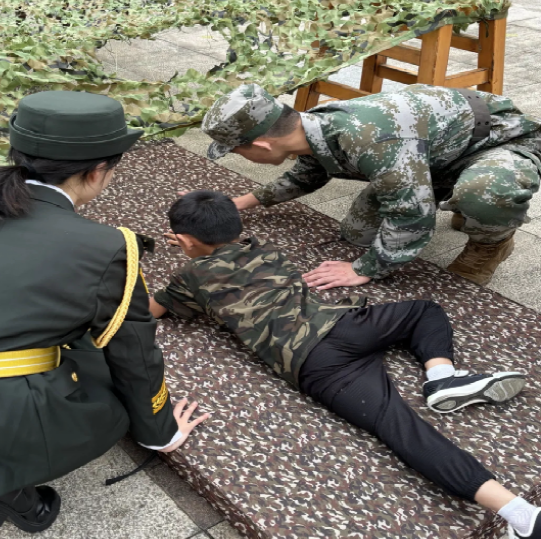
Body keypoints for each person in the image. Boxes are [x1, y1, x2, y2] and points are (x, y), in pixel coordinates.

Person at [150, 190, 540, 539]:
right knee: (424, 311)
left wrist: (180, 256)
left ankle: (520, 514)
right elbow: (224, 241)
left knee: (402, 430)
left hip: (314, 363)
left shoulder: (190, 276)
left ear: (185, 240)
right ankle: (441, 377)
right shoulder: (263, 249)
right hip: (344, 325)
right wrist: (196, 229)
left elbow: (153, 311)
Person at [0, 91, 209, 533]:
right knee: (97, 364)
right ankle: (7, 489)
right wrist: (160, 430)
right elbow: (133, 353)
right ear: (97, 171)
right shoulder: (105, 247)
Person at [200, 83, 541, 289]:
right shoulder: (310, 126)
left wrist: (364, 269)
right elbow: (305, 175)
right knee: (358, 235)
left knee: (484, 192)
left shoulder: (369, 141)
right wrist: (239, 203)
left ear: (262, 145)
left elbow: (412, 216)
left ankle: (490, 242)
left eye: (236, 151)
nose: (240, 157)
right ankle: (455, 195)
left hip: (494, 143)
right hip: (430, 154)